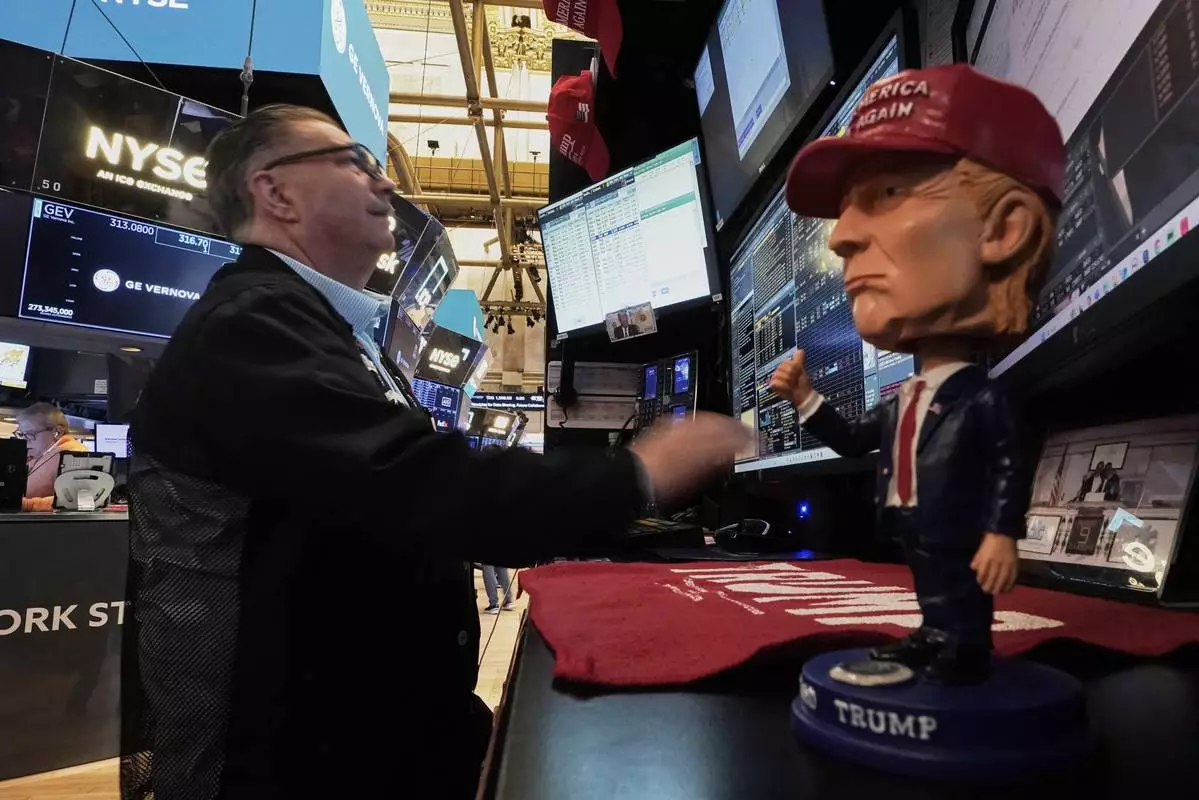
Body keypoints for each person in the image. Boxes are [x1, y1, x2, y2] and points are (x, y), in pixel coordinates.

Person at [123, 104, 749, 800]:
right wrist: (637, 474)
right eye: (353, 160)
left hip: (363, 746)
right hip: (279, 767)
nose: (385, 183)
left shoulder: (325, 331)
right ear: (275, 194)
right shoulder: (250, 324)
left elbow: (376, 528)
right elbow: (416, 485)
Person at [770, 64, 1064, 684]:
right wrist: (805, 400)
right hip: (912, 523)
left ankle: (963, 645)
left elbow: (1012, 467)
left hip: (959, 526)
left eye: (889, 194)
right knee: (933, 587)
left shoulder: (982, 398)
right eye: (848, 209)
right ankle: (936, 634)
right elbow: (854, 439)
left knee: (957, 587)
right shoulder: (907, 395)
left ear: (1003, 229)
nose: (843, 237)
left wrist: (1001, 534)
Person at [16, 403, 89, 510]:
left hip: (48, 525)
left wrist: (27, 505)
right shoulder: (38, 454)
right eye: (22, 435)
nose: (25, 441)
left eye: (30, 434)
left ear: (57, 432)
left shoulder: (74, 454)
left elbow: (76, 500)